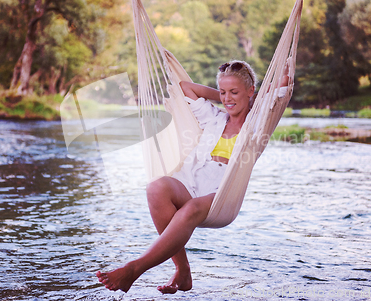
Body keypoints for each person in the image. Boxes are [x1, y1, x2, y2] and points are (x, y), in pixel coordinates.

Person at [96, 60, 289, 294]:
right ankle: (183, 271)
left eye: (234, 92)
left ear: (251, 92)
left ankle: (134, 269)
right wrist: (227, 97)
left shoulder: (257, 124)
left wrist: (255, 96)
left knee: (191, 209)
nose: (227, 98)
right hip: (192, 179)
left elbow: (280, 91)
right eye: (223, 91)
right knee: (156, 188)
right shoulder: (214, 118)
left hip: (222, 190)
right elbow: (185, 87)